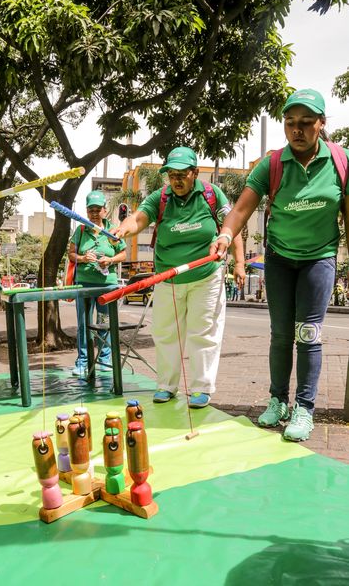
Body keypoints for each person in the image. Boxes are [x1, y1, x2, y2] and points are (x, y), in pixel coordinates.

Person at [211, 88, 349, 441]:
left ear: (322, 124)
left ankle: (305, 408)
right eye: (290, 123)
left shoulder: (340, 162)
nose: (297, 130)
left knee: (309, 334)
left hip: (319, 258)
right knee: (280, 335)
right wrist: (226, 236)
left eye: (306, 123)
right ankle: (278, 400)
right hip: (279, 257)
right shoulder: (272, 164)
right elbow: (241, 208)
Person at [114, 146, 245, 408]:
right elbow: (139, 218)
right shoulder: (160, 197)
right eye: (171, 174)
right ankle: (166, 385)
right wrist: (123, 229)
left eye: (182, 174)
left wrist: (239, 263)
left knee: (203, 332)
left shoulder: (210, 195)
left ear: (195, 173)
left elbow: (232, 226)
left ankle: (201, 388)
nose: (176, 180)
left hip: (205, 276)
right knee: (166, 333)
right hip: (168, 278)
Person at [68, 191, 127, 377]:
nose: (94, 213)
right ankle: (83, 361)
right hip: (84, 286)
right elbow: (71, 254)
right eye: (91, 210)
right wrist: (83, 258)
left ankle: (104, 359)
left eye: (98, 209)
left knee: (104, 323)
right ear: (86, 211)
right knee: (84, 324)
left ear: (105, 210)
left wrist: (110, 261)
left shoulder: (112, 231)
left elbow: (123, 254)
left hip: (106, 287)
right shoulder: (81, 230)